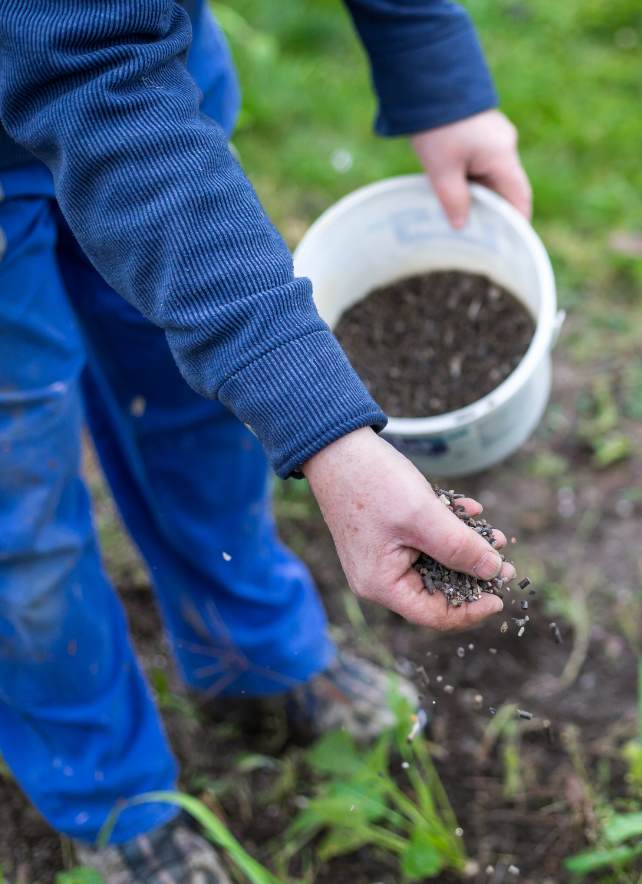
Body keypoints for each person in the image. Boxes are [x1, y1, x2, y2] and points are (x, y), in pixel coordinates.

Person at [0, 1, 530, 879]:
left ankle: (253, 657)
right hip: (99, 68)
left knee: (199, 404)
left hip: (145, 65)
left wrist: (432, 64)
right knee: (18, 507)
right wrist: (331, 436)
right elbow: (84, 67)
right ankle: (107, 793)